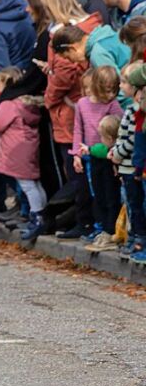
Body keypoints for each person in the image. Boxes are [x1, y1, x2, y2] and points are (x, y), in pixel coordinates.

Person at [45, 26, 94, 238]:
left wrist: (49, 96)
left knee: (77, 176)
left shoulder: (68, 61)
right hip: (73, 119)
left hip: (69, 120)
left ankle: (83, 222)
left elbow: (58, 86)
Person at [0, 67, 46, 240]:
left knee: (26, 184)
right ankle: (41, 212)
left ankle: (37, 216)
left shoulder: (9, 104)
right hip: (28, 147)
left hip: (15, 150)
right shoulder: (28, 103)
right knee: (34, 182)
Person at [72, 66, 123, 249]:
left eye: (113, 90)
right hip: (90, 155)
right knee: (97, 193)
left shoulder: (113, 105)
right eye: (107, 90)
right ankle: (101, 226)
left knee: (111, 194)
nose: (110, 95)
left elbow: (119, 130)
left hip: (109, 157)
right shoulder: (82, 104)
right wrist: (76, 154)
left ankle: (111, 229)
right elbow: (78, 129)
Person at [109, 62, 144, 256]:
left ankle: (139, 238)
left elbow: (131, 139)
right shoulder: (131, 108)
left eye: (124, 82)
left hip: (131, 166)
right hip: (125, 165)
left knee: (134, 204)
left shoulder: (135, 111)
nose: (120, 86)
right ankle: (133, 237)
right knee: (130, 204)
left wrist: (117, 154)